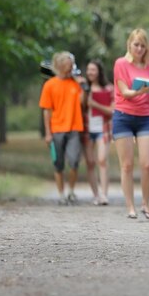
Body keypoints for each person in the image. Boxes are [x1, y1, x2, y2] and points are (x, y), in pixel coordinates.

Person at [112, 28, 149, 219]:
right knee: (127, 165)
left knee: (147, 164)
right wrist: (142, 91)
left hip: (144, 118)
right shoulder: (120, 64)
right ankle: (130, 206)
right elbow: (125, 92)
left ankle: (145, 204)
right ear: (129, 45)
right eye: (136, 44)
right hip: (123, 116)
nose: (139, 48)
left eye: (142, 45)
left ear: (147, 47)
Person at [39, 52, 85, 205]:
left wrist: (82, 86)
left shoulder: (75, 84)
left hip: (74, 128)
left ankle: (71, 191)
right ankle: (61, 195)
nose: (71, 67)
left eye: (72, 64)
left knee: (74, 161)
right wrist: (47, 133)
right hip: (57, 129)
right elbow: (46, 110)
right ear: (59, 66)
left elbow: (83, 103)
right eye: (68, 64)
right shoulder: (49, 85)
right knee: (58, 164)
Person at [82, 59, 114, 206]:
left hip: (104, 127)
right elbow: (80, 107)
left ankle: (104, 194)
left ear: (99, 71)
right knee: (90, 162)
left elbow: (112, 111)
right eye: (88, 69)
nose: (90, 72)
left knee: (102, 160)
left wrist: (95, 104)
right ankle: (95, 194)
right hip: (87, 128)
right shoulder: (83, 88)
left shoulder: (108, 89)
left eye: (93, 69)